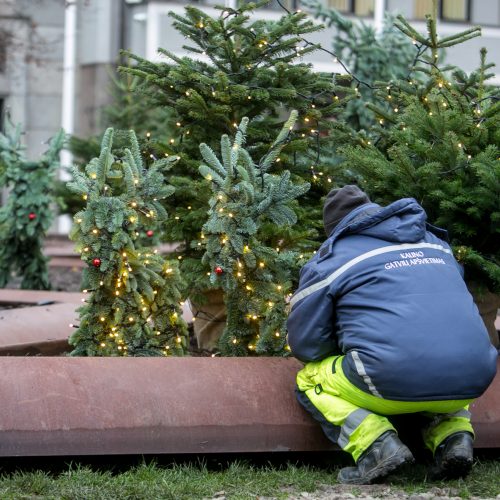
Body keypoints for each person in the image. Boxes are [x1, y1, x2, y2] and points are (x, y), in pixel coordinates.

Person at [287, 185, 497, 485]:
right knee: (446, 362)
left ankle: (376, 445)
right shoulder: (437, 245)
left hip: (389, 375)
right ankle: (455, 438)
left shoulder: (333, 258)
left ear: (335, 229)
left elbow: (306, 344)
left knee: (309, 379)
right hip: (475, 374)